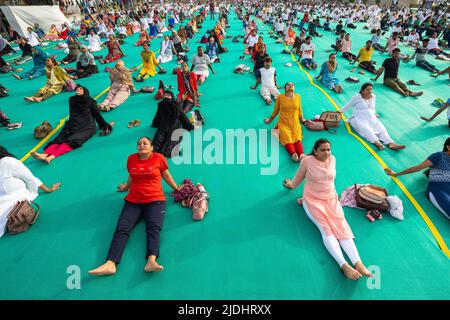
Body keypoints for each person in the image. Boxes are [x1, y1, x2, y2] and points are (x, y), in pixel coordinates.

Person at [88, 137, 180, 276]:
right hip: (133, 201)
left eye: (145, 143)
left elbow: (166, 175)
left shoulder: (159, 158)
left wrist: (176, 188)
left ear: (151, 147)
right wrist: (126, 187)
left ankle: (151, 261)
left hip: (154, 200)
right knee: (122, 229)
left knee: (153, 228)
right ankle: (110, 263)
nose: (141, 145)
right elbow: (132, 175)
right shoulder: (131, 159)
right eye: (139, 143)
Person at [283, 139, 373, 280]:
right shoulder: (306, 161)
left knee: (342, 227)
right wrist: (290, 185)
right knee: (326, 229)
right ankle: (343, 265)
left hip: (331, 199)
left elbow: (329, 180)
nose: (326, 152)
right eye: (323, 150)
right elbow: (298, 179)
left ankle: (358, 263)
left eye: (328, 149)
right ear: (315, 151)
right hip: (313, 200)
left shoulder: (333, 159)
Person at [31, 85, 113, 164]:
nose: (78, 90)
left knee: (72, 141)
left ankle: (50, 157)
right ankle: (44, 154)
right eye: (77, 88)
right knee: (59, 139)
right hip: (72, 124)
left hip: (87, 126)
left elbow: (96, 114)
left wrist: (105, 125)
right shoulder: (72, 99)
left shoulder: (90, 101)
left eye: (81, 89)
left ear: (85, 91)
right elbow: (72, 113)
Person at [0, 146, 60, 238]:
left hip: (9, 200)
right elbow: (30, 179)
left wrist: (48, 189)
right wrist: (48, 189)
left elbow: (30, 179)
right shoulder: (8, 162)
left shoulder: (8, 162)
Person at [385, 137, 450, 218]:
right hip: (437, 191)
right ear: (448, 147)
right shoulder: (439, 156)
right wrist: (396, 174)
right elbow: (417, 168)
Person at [340, 83, 405, 151]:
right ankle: (379, 144)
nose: (370, 91)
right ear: (362, 91)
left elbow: (372, 108)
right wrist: (339, 112)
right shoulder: (357, 97)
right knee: (367, 130)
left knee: (382, 129)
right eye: (367, 89)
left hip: (372, 118)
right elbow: (347, 106)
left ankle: (391, 143)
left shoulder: (373, 96)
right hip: (359, 119)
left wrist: (374, 113)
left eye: (371, 89)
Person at [264, 82, 305, 162]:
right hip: (283, 123)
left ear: (294, 88)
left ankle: (301, 154)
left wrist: (302, 120)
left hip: (295, 122)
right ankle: (293, 154)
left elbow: (300, 110)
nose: (291, 86)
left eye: (292, 85)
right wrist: (269, 121)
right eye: (288, 85)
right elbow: (275, 111)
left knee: (297, 138)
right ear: (285, 88)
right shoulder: (280, 97)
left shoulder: (298, 97)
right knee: (287, 137)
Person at [151, 90, 195, 158]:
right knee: (158, 139)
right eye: (165, 95)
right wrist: (155, 123)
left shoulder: (175, 105)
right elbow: (158, 115)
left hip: (173, 125)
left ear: (171, 97)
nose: (166, 96)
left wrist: (188, 126)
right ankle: (157, 153)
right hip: (165, 125)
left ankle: (164, 153)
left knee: (170, 140)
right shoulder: (161, 105)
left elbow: (182, 115)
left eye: (168, 95)